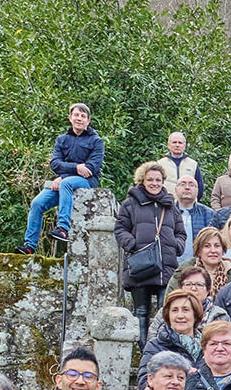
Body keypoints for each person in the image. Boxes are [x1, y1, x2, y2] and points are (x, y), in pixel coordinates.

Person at [116, 162, 188, 346]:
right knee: (141, 312)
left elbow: (180, 232)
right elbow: (120, 229)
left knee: (167, 310)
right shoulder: (130, 204)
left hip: (166, 267)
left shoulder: (171, 205)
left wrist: (176, 245)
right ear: (142, 180)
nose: (154, 183)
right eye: (150, 180)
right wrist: (132, 244)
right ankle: (142, 351)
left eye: (158, 180)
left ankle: (163, 347)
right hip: (141, 264)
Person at [21, 103, 104, 253]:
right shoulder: (62, 139)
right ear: (70, 118)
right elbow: (55, 163)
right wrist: (74, 168)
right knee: (37, 203)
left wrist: (63, 175)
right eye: (76, 115)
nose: (79, 118)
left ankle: (63, 228)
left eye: (83, 116)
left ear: (88, 121)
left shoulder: (96, 141)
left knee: (65, 183)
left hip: (86, 182)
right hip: (64, 181)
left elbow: (91, 169)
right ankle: (29, 246)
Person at [171, 176, 217, 265]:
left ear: (197, 191)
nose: (187, 187)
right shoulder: (166, 212)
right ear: (176, 190)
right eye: (183, 184)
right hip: (171, 265)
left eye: (192, 185)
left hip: (199, 266)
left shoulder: (208, 213)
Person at [156, 131, 204, 202]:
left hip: (188, 205)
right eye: (174, 142)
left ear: (184, 146)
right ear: (168, 145)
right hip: (166, 204)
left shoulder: (193, 164)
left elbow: (200, 187)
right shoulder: (160, 164)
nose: (177, 145)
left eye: (180, 143)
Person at [188, 227, 231, 297]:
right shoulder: (184, 274)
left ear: (222, 250)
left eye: (217, 246)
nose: (213, 250)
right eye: (207, 246)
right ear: (199, 250)